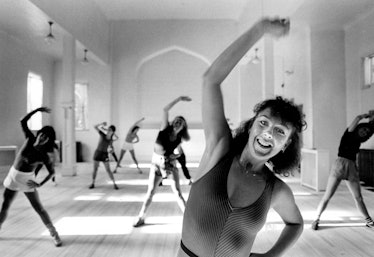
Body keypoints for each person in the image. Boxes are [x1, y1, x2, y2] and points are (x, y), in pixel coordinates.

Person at [177, 18, 305, 257]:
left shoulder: (276, 190)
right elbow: (210, 80)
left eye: (280, 131)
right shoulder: (219, 150)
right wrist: (260, 29)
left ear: (286, 144)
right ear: (251, 126)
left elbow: (296, 224)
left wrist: (271, 255)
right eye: (264, 123)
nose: (268, 132)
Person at [0, 107, 62, 247]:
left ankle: (54, 233)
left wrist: (39, 184)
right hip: (12, 177)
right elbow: (23, 121)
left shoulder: (43, 156)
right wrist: (38, 110)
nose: (42, 138)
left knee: (39, 208)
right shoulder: (29, 139)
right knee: (5, 206)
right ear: (38, 134)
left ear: (48, 141)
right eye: (41, 135)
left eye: (46, 138)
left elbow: (52, 172)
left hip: (25, 181)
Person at [133, 96, 191, 227]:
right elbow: (165, 109)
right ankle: (141, 216)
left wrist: (173, 157)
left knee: (177, 193)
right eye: (176, 120)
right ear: (172, 122)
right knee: (151, 192)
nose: (177, 122)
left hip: (169, 166)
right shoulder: (164, 129)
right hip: (156, 166)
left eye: (180, 122)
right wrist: (179, 99)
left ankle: (189, 220)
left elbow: (180, 153)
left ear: (183, 127)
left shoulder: (178, 139)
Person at [311, 113, 374, 230]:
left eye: (366, 132)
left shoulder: (359, 140)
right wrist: (368, 115)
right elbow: (358, 118)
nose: (364, 132)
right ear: (358, 129)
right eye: (363, 130)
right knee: (327, 196)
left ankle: (369, 221)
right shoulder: (349, 133)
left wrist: (372, 120)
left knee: (358, 197)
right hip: (340, 164)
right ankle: (316, 219)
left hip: (352, 166)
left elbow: (371, 127)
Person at [89, 122, 119, 190]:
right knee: (95, 169)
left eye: (110, 130)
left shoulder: (111, 140)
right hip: (97, 153)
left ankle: (114, 184)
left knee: (108, 170)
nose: (108, 130)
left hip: (105, 155)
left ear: (113, 132)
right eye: (108, 129)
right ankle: (93, 183)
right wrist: (102, 124)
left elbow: (117, 138)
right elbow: (95, 126)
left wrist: (111, 150)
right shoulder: (102, 134)